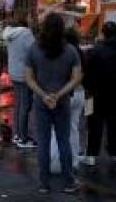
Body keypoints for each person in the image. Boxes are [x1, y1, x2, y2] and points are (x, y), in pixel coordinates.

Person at [25, 13, 82, 195]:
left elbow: (29, 78)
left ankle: (43, 183)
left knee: (43, 143)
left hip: (41, 102)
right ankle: (68, 181)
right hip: (62, 102)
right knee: (63, 141)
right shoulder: (70, 51)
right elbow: (76, 77)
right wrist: (58, 94)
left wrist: (43, 95)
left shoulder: (34, 49)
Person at [83, 21, 116, 167]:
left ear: (104, 34)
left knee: (94, 126)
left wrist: (88, 88)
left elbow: (87, 73)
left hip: (96, 94)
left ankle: (92, 155)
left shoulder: (95, 51)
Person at [50, 25, 84, 175]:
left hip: (65, 94)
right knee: (74, 128)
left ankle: (57, 162)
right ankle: (74, 160)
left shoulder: (62, 53)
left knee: (57, 129)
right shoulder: (81, 53)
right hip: (79, 93)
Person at [3, 18, 36, 149]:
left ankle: (16, 134)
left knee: (18, 104)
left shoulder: (9, 33)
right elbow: (33, 51)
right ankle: (23, 138)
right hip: (24, 74)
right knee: (25, 105)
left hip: (14, 72)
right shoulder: (26, 34)